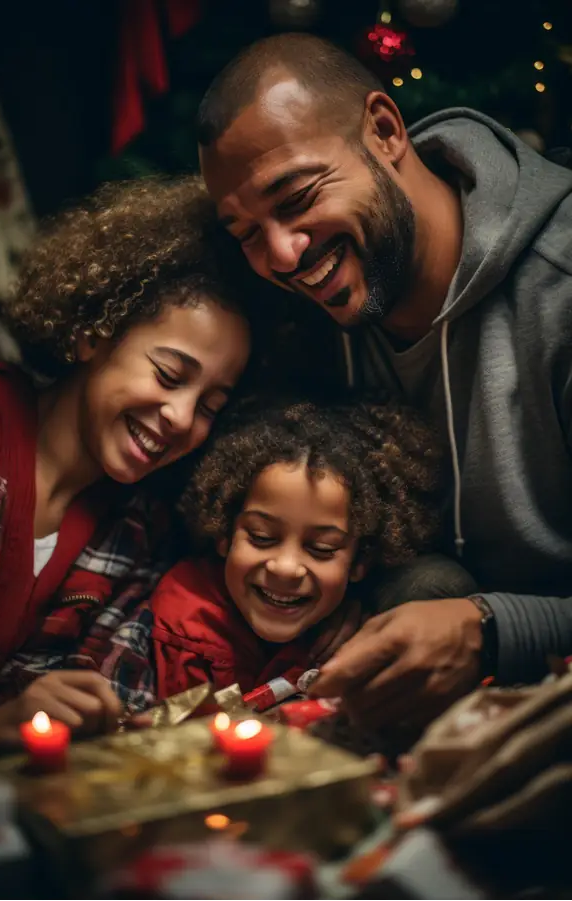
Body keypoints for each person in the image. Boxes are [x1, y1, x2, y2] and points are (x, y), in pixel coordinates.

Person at [196, 32, 572, 728]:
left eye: (298, 195)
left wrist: (490, 628)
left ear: (384, 129)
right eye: (245, 232)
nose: (281, 254)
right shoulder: (295, 321)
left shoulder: (562, 288)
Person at [0, 176, 251, 747]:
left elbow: (94, 703)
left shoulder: (137, 534)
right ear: (92, 335)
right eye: (170, 376)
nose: (180, 416)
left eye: (210, 408)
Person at [149, 393, 467, 706]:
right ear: (224, 534)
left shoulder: (363, 632)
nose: (286, 567)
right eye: (261, 537)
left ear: (360, 561)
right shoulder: (182, 623)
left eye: (321, 548)